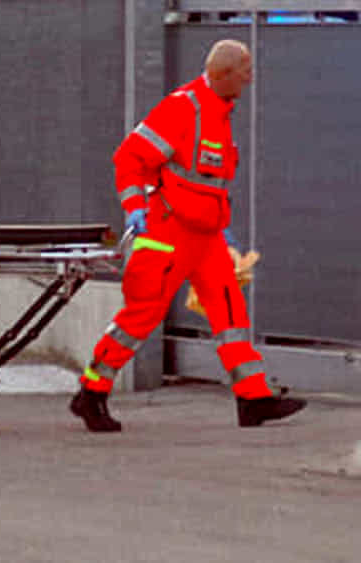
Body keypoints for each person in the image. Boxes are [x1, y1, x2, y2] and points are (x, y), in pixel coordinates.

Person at [70, 39, 306, 432]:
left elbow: (206, 180)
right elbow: (129, 157)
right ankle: (90, 393)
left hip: (205, 236)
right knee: (140, 317)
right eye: (245, 70)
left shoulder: (219, 112)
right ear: (224, 74)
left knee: (230, 314)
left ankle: (253, 399)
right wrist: (135, 209)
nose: (251, 78)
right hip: (166, 233)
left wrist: (221, 227)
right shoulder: (184, 109)